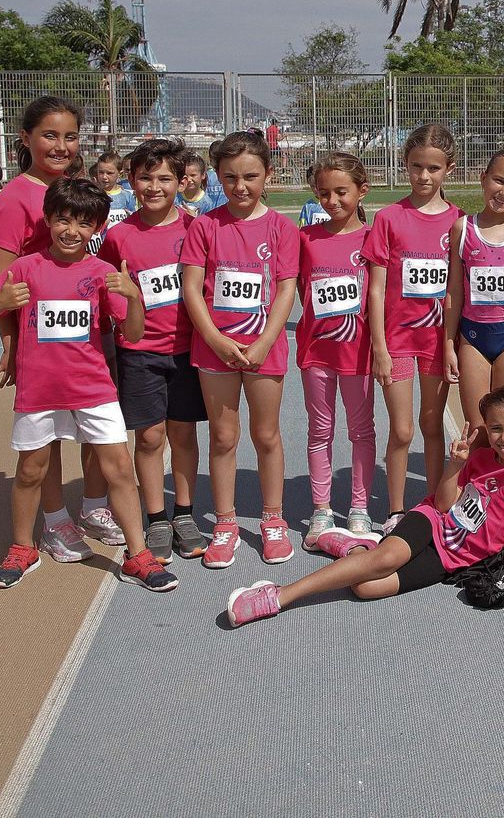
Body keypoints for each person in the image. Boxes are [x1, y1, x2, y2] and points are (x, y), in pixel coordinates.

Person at [226, 386, 504, 627]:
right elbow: (446, 502)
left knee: (365, 589)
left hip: (453, 556)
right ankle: (280, 594)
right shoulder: (482, 457)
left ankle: (353, 547)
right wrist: (455, 466)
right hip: (432, 520)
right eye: (496, 427)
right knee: (383, 562)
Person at [0, 178, 176, 592]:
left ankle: (137, 555)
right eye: (63, 220)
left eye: (84, 224)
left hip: (94, 389)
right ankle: (21, 547)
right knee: (31, 470)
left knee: (119, 467)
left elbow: (134, 335)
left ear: (97, 229)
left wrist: (134, 298)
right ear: (47, 219)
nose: (72, 231)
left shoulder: (103, 272)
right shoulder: (24, 268)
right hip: (39, 391)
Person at [0, 97, 120, 554]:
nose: (61, 146)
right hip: (40, 342)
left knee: (94, 424)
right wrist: (10, 345)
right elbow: (2, 287)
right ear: (25, 139)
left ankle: (95, 505)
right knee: (49, 436)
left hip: (88, 333)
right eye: (49, 135)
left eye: (70, 136)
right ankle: (56, 518)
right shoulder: (14, 198)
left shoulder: (75, 189)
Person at [180, 130, 300, 568]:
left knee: (266, 434)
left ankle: (273, 519)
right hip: (215, 350)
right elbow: (192, 288)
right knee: (223, 435)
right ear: (217, 177)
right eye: (230, 178)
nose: (241, 186)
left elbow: (286, 288)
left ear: (268, 174)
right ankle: (226, 523)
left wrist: (267, 339)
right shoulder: (205, 226)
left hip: (264, 349)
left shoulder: (282, 228)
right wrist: (214, 338)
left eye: (250, 176)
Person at [97, 138, 209, 563]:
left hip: (186, 349)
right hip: (139, 350)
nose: (155, 186)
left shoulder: (196, 228)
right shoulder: (119, 236)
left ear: (182, 182)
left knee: (182, 433)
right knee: (149, 435)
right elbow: (110, 288)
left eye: (165, 178)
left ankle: (184, 513)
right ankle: (156, 516)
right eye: (145, 177)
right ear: (132, 181)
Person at [364, 123, 462, 534]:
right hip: (398, 343)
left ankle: (435, 506)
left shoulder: (460, 223)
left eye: (433, 168)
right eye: (416, 166)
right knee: (401, 429)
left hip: (438, 343)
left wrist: (453, 344)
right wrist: (380, 348)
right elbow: (376, 289)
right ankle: (397, 510)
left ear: (449, 170)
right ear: (405, 165)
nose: (424, 176)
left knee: (431, 424)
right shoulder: (389, 218)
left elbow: (460, 290)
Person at [296, 153, 380, 552]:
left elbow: (380, 295)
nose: (332, 200)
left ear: (362, 191)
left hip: (358, 353)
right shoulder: (307, 238)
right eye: (324, 193)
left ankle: (360, 508)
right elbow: (300, 292)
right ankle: (322, 508)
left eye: (341, 192)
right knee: (319, 431)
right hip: (317, 351)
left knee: (361, 430)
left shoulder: (373, 239)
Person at [445, 150, 504, 429]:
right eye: (499, 181)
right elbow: (455, 292)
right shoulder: (462, 229)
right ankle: (479, 475)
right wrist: (449, 345)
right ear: (483, 179)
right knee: (477, 428)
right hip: (473, 338)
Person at [89, 151, 137, 254]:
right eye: (101, 172)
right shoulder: (93, 195)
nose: (104, 177)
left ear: (120, 173)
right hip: (101, 244)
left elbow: (134, 217)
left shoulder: (127, 195)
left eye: (109, 173)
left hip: (123, 243)